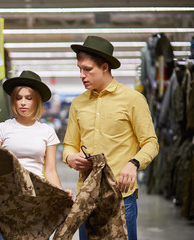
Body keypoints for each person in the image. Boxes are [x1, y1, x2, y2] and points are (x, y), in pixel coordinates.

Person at [63, 36, 159, 240]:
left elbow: (151, 143)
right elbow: (70, 145)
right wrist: (71, 158)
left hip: (121, 197)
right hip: (87, 196)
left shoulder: (132, 99)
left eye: (88, 69)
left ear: (105, 67)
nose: (82, 75)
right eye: (79, 68)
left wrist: (133, 163)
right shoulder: (78, 104)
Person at [0, 70, 73, 239]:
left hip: (35, 200)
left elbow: (50, 171)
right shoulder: (1, 130)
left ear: (36, 101)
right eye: (18, 98)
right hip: (5, 202)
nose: (23, 102)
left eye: (28, 98)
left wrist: (60, 195)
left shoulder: (47, 132)